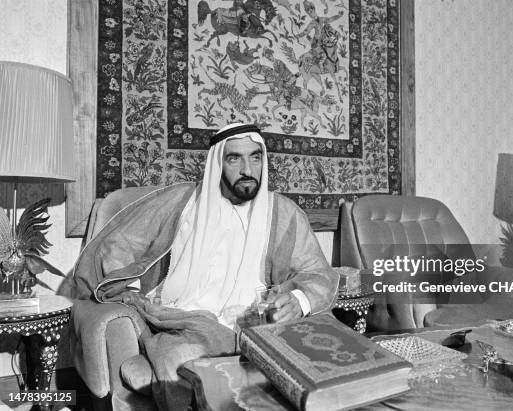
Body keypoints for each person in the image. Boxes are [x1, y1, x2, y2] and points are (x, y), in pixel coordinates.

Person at [72, 123, 339, 410]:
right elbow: (119, 243)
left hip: (257, 324)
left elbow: (318, 271)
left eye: (255, 157)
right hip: (185, 320)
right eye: (234, 158)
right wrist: (132, 289)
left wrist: (298, 300)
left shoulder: (284, 213)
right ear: (217, 163)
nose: (248, 169)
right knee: (180, 358)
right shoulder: (182, 202)